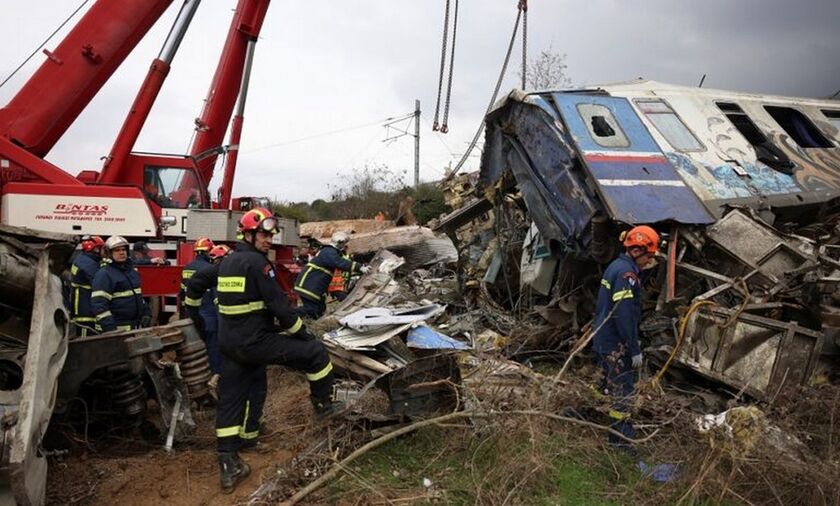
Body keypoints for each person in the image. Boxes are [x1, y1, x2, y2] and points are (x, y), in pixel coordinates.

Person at [214, 208, 343, 494]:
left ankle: (229, 462)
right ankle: (324, 408)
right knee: (315, 354)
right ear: (247, 234)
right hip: (255, 342)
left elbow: (205, 292)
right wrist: (302, 333)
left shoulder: (227, 262)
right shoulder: (260, 265)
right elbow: (280, 308)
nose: (268, 240)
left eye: (271, 235)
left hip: (230, 344)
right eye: (263, 234)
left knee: (234, 397)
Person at [592, 225, 660, 448]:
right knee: (624, 391)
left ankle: (579, 413)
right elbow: (623, 314)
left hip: (605, 338)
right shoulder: (626, 275)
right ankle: (620, 442)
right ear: (638, 250)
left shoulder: (616, 266)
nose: (649, 261)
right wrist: (634, 347)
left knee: (606, 385)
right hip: (615, 343)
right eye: (649, 255)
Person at [184, 244, 232, 382]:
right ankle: (215, 378)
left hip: (200, 318)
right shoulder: (217, 277)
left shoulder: (199, 272)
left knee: (202, 352)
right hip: (214, 322)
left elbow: (184, 293)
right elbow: (218, 304)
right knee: (214, 353)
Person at [293, 231, 369, 318]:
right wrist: (359, 267)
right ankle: (288, 316)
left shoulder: (330, 252)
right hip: (309, 287)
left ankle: (304, 320)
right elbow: (339, 262)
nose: (345, 246)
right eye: (344, 244)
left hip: (312, 286)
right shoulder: (328, 252)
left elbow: (344, 263)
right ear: (340, 243)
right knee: (312, 309)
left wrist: (360, 267)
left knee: (319, 309)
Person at [92, 235, 150, 332]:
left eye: (123, 249)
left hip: (135, 328)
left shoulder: (132, 272)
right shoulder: (104, 275)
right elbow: (99, 305)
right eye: (117, 250)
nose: (122, 252)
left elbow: (138, 296)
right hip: (117, 330)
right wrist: (110, 328)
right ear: (109, 253)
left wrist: (146, 313)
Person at [69, 235, 105, 337]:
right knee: (85, 337)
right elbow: (99, 283)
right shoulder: (88, 265)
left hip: (82, 306)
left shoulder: (83, 259)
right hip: (85, 308)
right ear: (96, 249)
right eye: (101, 248)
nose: (103, 251)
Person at [179, 237, 214, 309]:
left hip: (190, 307)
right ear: (207, 252)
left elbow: (182, 289)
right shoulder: (210, 268)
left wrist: (184, 303)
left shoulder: (187, 268)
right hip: (206, 307)